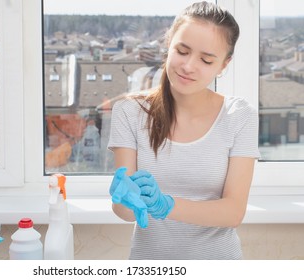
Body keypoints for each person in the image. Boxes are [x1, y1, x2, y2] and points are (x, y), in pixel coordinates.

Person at [107, 1, 260, 260]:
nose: (189, 66)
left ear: (224, 65)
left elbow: (233, 213)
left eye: (206, 59)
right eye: (182, 50)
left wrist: (165, 205)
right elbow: (126, 213)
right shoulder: (129, 111)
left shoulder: (238, 115)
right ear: (169, 44)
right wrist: (125, 199)